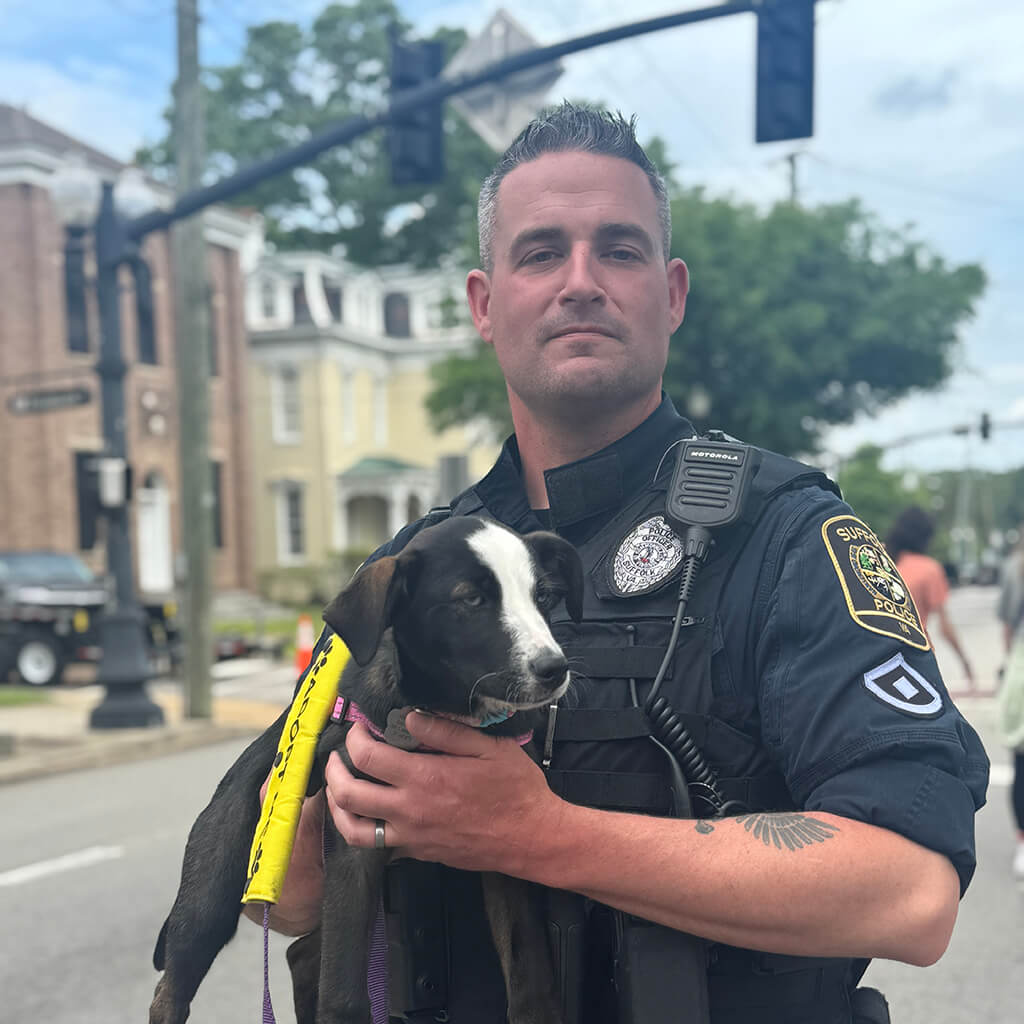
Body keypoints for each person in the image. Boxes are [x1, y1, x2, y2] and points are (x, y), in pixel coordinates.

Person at [251, 103, 989, 1023]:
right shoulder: (410, 571)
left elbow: (910, 894)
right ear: (485, 305)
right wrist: (336, 830)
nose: (581, 282)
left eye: (621, 250)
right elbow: (281, 898)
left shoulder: (789, 539)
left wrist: (541, 835)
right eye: (540, 252)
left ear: (672, 294)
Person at [885, 505, 975, 692]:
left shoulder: (882, 561)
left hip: (879, 658)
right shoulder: (929, 569)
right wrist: (964, 661)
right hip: (915, 658)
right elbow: (944, 627)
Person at [996, 528, 1024, 879]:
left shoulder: (1015, 567)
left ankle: (1022, 841)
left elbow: (1006, 626)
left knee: (1021, 763)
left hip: (1021, 665)